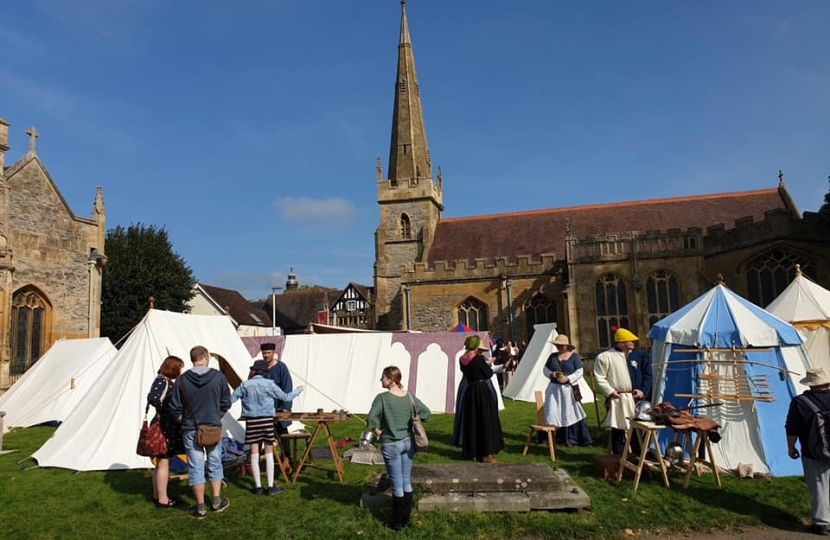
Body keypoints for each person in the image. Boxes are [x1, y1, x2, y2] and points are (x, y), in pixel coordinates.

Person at [168, 345, 232, 519]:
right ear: (205, 357)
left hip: (190, 429)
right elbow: (226, 402)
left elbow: (174, 407)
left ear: (192, 359)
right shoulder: (219, 377)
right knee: (215, 462)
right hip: (213, 427)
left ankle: (200, 507)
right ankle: (217, 501)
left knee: (196, 467)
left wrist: (185, 420)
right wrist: (216, 417)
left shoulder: (181, 380)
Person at [367, 366, 431, 531]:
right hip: (408, 443)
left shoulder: (382, 398)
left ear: (391, 379)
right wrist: (411, 421)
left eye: (383, 377)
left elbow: (371, 418)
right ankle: (405, 518)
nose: (381, 380)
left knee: (397, 483)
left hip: (391, 444)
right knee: (405, 480)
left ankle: (397, 523)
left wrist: (377, 431)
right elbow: (426, 413)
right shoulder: (409, 396)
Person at [231, 360, 304, 496]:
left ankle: (258, 487)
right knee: (269, 453)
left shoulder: (245, 385)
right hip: (266, 421)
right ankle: (271, 486)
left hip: (252, 422)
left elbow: (231, 399)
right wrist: (298, 391)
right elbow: (286, 397)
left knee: (254, 453)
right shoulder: (269, 384)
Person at [786, 367, 830, 536]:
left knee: (819, 486)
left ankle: (821, 523)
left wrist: (791, 447)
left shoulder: (800, 402)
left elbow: (792, 428)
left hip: (814, 450)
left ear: (811, 384)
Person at [594, 328, 650, 455]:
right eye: (630, 341)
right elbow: (600, 377)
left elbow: (647, 375)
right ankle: (618, 456)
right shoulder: (605, 357)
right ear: (621, 342)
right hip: (618, 397)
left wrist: (643, 391)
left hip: (636, 398)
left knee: (638, 427)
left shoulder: (640, 356)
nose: (633, 343)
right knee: (618, 427)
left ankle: (638, 455)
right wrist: (610, 391)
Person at [458, 335, 505, 463]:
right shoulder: (478, 359)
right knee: (486, 420)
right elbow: (488, 374)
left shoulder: (462, 359)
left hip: (470, 390)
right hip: (481, 390)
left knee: (472, 421)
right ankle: (486, 454)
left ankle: (472, 453)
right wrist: (488, 364)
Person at [146, 355, 185, 508]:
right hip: (164, 426)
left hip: (165, 424)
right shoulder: (162, 381)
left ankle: (158, 496)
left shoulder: (165, 381)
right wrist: (168, 412)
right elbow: (153, 398)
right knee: (164, 461)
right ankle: (163, 499)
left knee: (162, 462)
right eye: (179, 368)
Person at [542, 335, 592, 447]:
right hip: (554, 390)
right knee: (553, 412)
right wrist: (551, 374)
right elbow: (545, 369)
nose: (557, 347)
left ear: (566, 345)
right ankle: (552, 438)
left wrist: (568, 378)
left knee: (570, 412)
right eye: (556, 345)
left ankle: (572, 439)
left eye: (560, 345)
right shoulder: (552, 357)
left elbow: (579, 371)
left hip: (568, 390)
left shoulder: (574, 357)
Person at [262, 343, 294, 461]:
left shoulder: (281, 367)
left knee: (282, 431)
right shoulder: (260, 368)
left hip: (279, 405)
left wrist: (286, 407)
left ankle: (286, 456)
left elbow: (287, 387)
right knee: (264, 432)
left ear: (274, 353)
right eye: (264, 353)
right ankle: (264, 455)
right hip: (265, 407)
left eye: (268, 353)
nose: (266, 355)